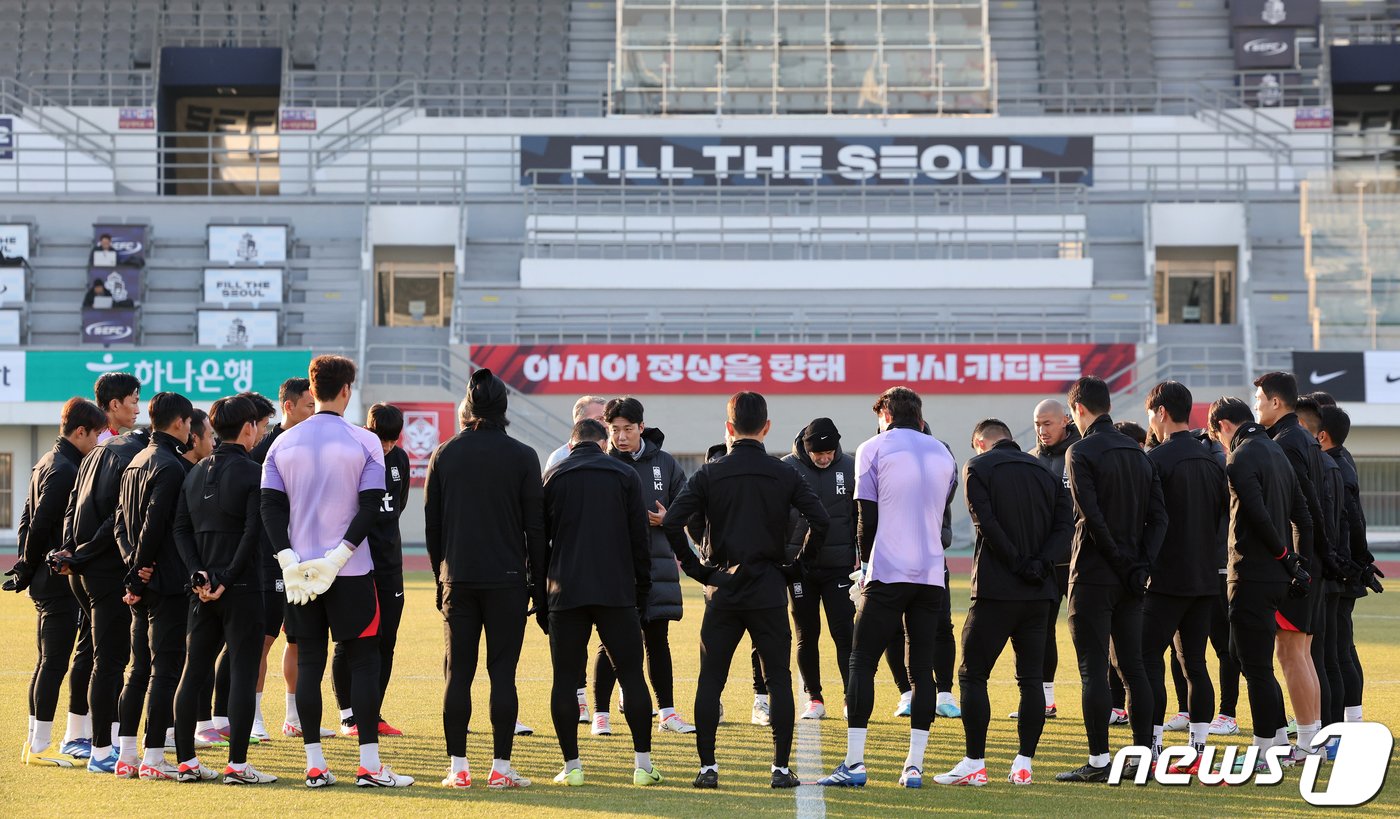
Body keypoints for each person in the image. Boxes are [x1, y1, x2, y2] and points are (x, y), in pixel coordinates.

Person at [662, 391, 829, 790]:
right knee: (779, 679)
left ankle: (707, 767)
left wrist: (700, 572)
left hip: (724, 589)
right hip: (769, 588)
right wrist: (796, 567)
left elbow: (672, 522)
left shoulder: (710, 472)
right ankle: (781, 768)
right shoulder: (784, 472)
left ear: (728, 428)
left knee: (710, 680)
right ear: (767, 428)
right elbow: (820, 520)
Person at [261, 355, 413, 788]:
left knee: (309, 660)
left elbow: (269, 507)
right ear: (346, 390)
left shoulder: (281, 443)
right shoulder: (364, 442)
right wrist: (339, 556)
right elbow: (371, 507)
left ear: (312, 389)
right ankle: (368, 764)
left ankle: (315, 764)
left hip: (302, 575)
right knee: (364, 660)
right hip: (350, 572)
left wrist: (289, 559)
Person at [818, 386, 956, 790]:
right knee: (922, 671)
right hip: (931, 573)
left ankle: (855, 763)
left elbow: (867, 516)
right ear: (919, 413)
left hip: (889, 570)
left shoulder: (872, 447)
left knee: (861, 660)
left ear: (886, 415)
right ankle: (913, 765)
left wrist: (862, 567)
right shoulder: (943, 452)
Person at [426, 369, 543, 789]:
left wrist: (442, 576)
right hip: (508, 580)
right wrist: (540, 585)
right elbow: (536, 530)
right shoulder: (523, 456)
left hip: (458, 577)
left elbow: (432, 527)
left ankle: (458, 769)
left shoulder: (445, 453)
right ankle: (501, 768)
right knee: (503, 675)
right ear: (504, 409)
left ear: (469, 408)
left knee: (458, 673)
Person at [938, 418, 1070, 786]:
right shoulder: (1045, 471)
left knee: (971, 674)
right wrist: (1039, 563)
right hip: (1040, 591)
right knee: (1031, 680)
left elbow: (986, 522)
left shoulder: (977, 466)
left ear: (980, 442)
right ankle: (1023, 763)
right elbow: (1064, 525)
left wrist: (1015, 562)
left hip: (997, 590)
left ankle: (975, 763)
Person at [1055, 376, 1166, 783]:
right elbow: (1160, 518)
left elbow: (1090, 515)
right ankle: (1141, 758)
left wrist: (1122, 561)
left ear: (1079, 409)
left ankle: (1100, 761)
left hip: (1093, 574)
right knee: (1133, 667)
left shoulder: (1079, 450)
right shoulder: (1141, 454)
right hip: (1132, 577)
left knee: (1094, 669)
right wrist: (1141, 565)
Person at [541, 418, 661, 786]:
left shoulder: (554, 477)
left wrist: (542, 595)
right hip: (616, 591)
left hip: (566, 591)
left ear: (571, 444)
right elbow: (640, 540)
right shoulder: (624, 476)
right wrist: (642, 590)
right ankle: (642, 766)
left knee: (564, 680)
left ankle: (572, 767)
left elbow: (539, 541)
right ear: (603, 443)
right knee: (632, 675)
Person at [171, 395, 276, 784]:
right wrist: (228, 579)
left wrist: (200, 574)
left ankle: (185, 762)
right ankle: (237, 765)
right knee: (243, 674)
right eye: (258, 426)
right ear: (248, 428)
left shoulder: (194, 473)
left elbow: (180, 530)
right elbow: (254, 533)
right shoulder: (254, 472)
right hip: (242, 588)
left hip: (201, 589)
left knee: (193, 671)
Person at [1208, 397, 1312, 766]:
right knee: (1244, 655)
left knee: (1255, 666)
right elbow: (1303, 513)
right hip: (1276, 576)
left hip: (1251, 572)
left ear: (1222, 425)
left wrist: (1286, 557)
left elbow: (1257, 513)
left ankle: (1265, 749)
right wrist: (1297, 563)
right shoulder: (1277, 450)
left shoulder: (1241, 456)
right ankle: (1280, 739)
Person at [7, 398, 105, 766]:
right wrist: (30, 566)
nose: (97, 442)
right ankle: (39, 747)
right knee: (53, 662)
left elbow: (25, 519)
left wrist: (24, 566)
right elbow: (42, 521)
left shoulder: (47, 460)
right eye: (95, 434)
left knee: (47, 661)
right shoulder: (65, 468)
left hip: (46, 577)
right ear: (80, 431)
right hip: (57, 578)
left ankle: (36, 741)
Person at [59, 382, 150, 774]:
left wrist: (69, 552)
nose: (137, 409)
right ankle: (100, 750)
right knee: (109, 660)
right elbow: (118, 518)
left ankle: (98, 739)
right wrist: (79, 554)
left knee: (100, 655)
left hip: (82, 570)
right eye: (133, 402)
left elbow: (72, 507)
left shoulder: (97, 452)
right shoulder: (126, 454)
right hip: (102, 570)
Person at [590, 397, 695, 736]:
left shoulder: (664, 462)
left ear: (641, 428)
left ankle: (667, 712)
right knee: (611, 643)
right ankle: (600, 715)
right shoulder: (602, 463)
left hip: (658, 566)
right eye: (615, 430)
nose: (621, 437)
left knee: (657, 640)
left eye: (628, 429)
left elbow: (687, 503)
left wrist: (669, 518)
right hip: (616, 567)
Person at [1141, 381, 1228, 770]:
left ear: (1160, 412)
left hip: (1164, 578)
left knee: (1147, 660)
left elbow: (1148, 520)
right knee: (1195, 662)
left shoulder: (1155, 460)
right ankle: (1199, 748)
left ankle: (1154, 746)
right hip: (1206, 576)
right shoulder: (1213, 458)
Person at [1254, 372, 1337, 760]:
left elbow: (1302, 511)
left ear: (1275, 402)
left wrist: (1297, 565)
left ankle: (1306, 745)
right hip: (1312, 561)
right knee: (1300, 652)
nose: (1256, 407)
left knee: (1291, 653)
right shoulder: (1303, 438)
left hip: (1300, 564)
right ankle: (1312, 740)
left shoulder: (1285, 443)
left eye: (1259, 400)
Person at [113, 391, 195, 780]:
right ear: (179, 423)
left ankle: (127, 755)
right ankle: (153, 758)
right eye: (190, 423)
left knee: (138, 669)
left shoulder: (135, 462)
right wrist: (141, 565)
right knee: (165, 670)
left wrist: (132, 565)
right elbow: (157, 522)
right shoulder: (171, 466)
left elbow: (119, 524)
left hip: (142, 581)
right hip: (164, 581)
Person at [249, 377, 329, 741]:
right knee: (263, 640)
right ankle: (252, 718)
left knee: (299, 639)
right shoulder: (263, 447)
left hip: (308, 558)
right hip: (270, 558)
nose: (314, 412)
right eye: (309, 405)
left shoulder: (318, 444)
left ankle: (293, 717)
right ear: (289, 406)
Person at [333, 403, 409, 739]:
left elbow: (397, 506)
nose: (388, 446)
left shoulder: (400, 459)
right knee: (349, 640)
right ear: (368, 430)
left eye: (393, 440)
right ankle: (349, 715)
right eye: (383, 439)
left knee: (386, 640)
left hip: (389, 562)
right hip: (353, 563)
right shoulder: (351, 456)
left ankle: (373, 713)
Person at [780, 417, 858, 721]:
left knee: (845, 634)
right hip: (799, 568)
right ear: (807, 450)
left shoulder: (850, 466)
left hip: (839, 566)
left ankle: (851, 699)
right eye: (817, 454)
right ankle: (814, 697)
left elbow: (859, 516)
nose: (824, 459)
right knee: (806, 634)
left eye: (829, 453)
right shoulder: (788, 467)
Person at [1317, 405, 1383, 728]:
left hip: (1340, 570)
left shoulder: (1335, 466)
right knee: (1341, 649)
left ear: (1322, 431)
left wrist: (1359, 563)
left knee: (1335, 652)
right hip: (1345, 567)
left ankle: (1337, 728)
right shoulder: (1343, 459)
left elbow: (1353, 521)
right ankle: (1347, 723)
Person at [545, 393, 608, 722]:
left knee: (614, 635)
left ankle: (617, 697)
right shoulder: (558, 457)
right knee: (574, 638)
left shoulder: (614, 455)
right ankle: (580, 696)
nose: (605, 424)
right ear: (579, 420)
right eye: (599, 418)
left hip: (607, 562)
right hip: (569, 563)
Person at [1018, 398, 1080, 720]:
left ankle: (1112, 703)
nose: (1042, 430)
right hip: (1045, 563)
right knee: (1040, 632)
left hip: (1081, 561)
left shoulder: (1081, 454)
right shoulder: (1029, 461)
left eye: (1048, 423)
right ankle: (1046, 701)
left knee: (1089, 632)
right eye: (1038, 424)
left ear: (1066, 420)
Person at [1296, 398, 1349, 741]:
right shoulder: (1333, 464)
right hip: (1328, 569)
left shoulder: (1325, 466)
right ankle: (1327, 731)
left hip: (1321, 572)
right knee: (1324, 656)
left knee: (1319, 657)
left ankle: (1324, 732)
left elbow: (1327, 522)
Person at [94, 371, 141, 443]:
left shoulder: (101, 438)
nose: (137, 411)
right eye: (134, 402)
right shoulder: (100, 442)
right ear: (115, 405)